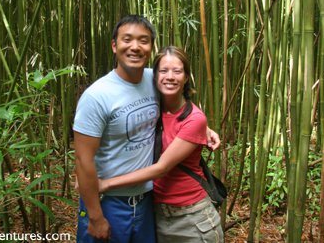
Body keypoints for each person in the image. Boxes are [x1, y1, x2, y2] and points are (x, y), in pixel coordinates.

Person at [74, 16, 220, 242]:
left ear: (151, 47)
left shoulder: (154, 78)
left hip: (146, 202)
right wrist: (95, 217)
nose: (135, 47)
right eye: (127, 39)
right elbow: (83, 161)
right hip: (108, 201)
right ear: (114, 45)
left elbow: (179, 100)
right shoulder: (96, 96)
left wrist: (203, 128)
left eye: (143, 40)